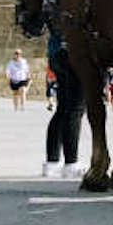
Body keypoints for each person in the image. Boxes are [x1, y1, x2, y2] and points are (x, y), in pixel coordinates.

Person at [42, 27, 84, 178]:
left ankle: (52, 163)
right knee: (75, 109)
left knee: (63, 109)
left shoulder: (51, 3)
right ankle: (71, 164)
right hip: (74, 53)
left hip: (56, 53)